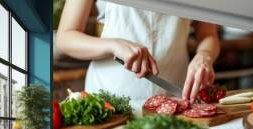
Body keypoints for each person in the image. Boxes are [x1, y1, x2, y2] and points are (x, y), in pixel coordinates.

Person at [56, 0, 220, 103]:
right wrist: (114, 45)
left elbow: (208, 35)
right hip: (110, 99)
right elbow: (65, 37)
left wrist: (204, 56)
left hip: (175, 94)